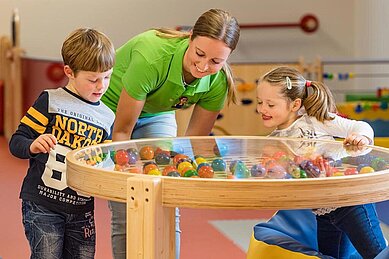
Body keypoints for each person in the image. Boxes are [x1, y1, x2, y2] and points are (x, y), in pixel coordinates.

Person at [101, 8, 240, 259]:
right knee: (125, 207)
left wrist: (214, 177)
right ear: (189, 38)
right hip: (111, 112)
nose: (203, 65)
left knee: (166, 194)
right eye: (199, 54)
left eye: (216, 62)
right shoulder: (152, 56)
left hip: (157, 112)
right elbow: (122, 131)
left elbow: (193, 143)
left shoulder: (218, 82)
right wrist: (126, 170)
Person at [256, 66, 386, 258]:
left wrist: (361, 138)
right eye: (259, 103)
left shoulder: (315, 120)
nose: (262, 109)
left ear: (294, 104)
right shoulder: (272, 141)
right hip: (323, 211)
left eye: (270, 105)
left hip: (349, 202)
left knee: (377, 254)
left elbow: (360, 126)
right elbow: (284, 179)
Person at [8, 28, 115, 258]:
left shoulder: (107, 116)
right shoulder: (50, 101)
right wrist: (33, 144)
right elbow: (16, 141)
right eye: (93, 79)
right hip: (42, 204)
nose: (101, 86)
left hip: (82, 209)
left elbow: (104, 161)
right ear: (70, 72)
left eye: (107, 77)